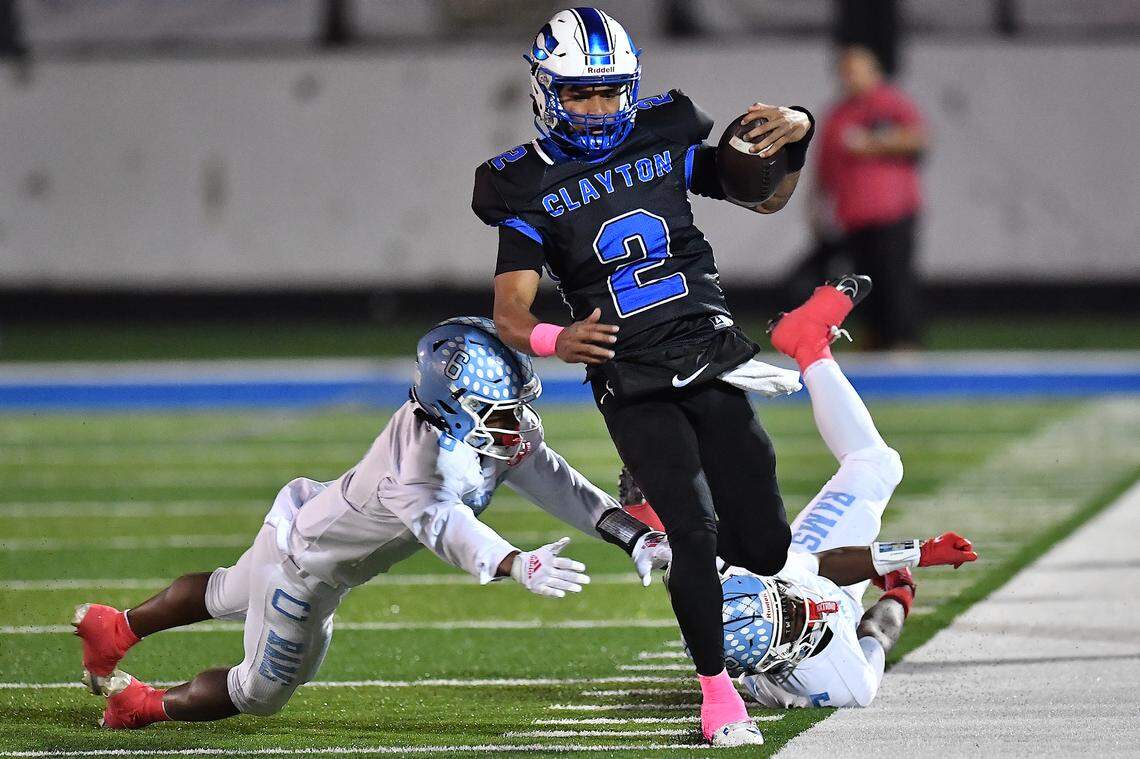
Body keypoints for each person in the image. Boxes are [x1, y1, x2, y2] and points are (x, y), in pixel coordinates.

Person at [476, 7, 816, 746]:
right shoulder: (523, 182)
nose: (598, 109)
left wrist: (798, 132)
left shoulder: (664, 133)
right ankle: (718, 693)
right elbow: (509, 310)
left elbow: (764, 193)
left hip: (708, 351)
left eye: (609, 92)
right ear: (544, 92)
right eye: (580, 94)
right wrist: (553, 335)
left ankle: (726, 591)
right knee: (691, 531)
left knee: (763, 546)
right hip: (626, 372)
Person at [71, 317, 670, 730]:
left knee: (229, 590)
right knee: (261, 693)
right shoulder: (422, 463)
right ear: (451, 403)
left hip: (308, 516)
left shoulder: (472, 429)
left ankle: (114, 629)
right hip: (307, 570)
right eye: (499, 410)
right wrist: (515, 562)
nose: (516, 422)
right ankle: (139, 706)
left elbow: (553, 478)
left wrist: (629, 532)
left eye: (517, 405)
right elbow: (446, 527)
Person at [642, 278, 978, 707]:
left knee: (873, 469)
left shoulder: (758, 597)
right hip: (838, 626)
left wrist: (917, 551)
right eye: (792, 612)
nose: (796, 604)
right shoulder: (845, 683)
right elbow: (878, 633)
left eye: (784, 601)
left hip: (786, 597)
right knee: (876, 465)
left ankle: (808, 343)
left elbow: (812, 565)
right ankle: (809, 347)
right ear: (787, 646)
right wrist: (902, 588)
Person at [815, 45, 928, 350]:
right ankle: (874, 341)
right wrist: (817, 209)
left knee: (895, 279)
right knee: (861, 284)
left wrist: (873, 143)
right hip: (853, 216)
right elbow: (823, 168)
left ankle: (904, 342)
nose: (850, 78)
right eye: (845, 72)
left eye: (856, 71)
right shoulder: (838, 114)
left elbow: (918, 139)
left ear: (874, 71)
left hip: (893, 212)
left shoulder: (891, 104)